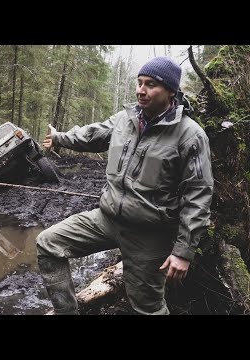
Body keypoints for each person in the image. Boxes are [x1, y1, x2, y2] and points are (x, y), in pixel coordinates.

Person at [36, 57, 214, 315]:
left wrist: (183, 252)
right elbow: (93, 135)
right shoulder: (125, 119)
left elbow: (198, 196)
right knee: (48, 243)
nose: (141, 90)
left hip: (149, 234)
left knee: (146, 307)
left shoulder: (190, 135)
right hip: (106, 219)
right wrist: (59, 138)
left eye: (151, 84)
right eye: (139, 83)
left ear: (171, 91)